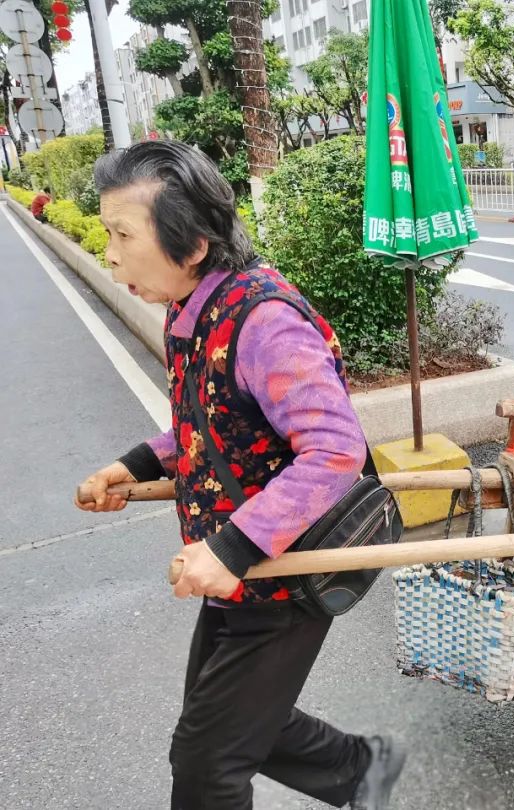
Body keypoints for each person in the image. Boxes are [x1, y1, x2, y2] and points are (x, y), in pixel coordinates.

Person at [74, 141, 404, 809]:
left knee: (205, 766)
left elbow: (335, 451)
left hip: (286, 571)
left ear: (191, 243)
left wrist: (231, 550)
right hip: (241, 568)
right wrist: (130, 466)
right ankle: (364, 768)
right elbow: (206, 419)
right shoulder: (193, 308)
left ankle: (364, 768)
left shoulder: (265, 324)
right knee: (240, 721)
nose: (109, 254)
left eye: (121, 235)